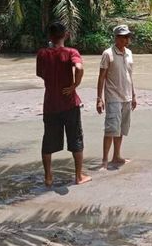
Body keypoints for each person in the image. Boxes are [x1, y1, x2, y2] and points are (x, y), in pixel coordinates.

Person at [36, 22, 91, 186]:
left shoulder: (42, 53)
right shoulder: (71, 52)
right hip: (69, 103)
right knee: (76, 138)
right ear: (66, 35)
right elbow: (79, 67)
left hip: (51, 104)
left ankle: (48, 177)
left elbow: (40, 73)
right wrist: (75, 84)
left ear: (49, 36)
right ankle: (78, 176)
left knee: (48, 140)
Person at [97, 24, 137, 170]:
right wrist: (99, 98)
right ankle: (104, 161)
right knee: (110, 130)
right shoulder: (108, 54)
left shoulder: (129, 53)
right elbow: (101, 77)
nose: (127, 40)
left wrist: (133, 95)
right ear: (117, 38)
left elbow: (130, 76)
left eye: (128, 37)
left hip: (126, 97)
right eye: (124, 37)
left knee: (120, 129)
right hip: (113, 96)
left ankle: (117, 156)